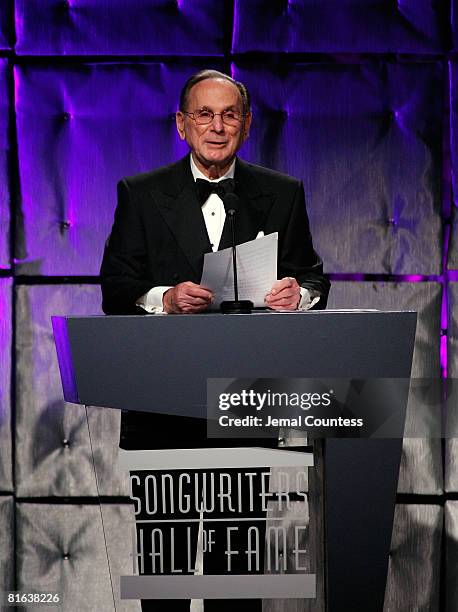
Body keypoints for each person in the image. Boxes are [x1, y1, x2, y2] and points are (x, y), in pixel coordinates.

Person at [100, 70, 330, 612]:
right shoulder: (140, 193)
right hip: (162, 409)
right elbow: (116, 287)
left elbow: (314, 275)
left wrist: (300, 295)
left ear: (246, 126)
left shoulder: (282, 193)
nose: (217, 126)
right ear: (182, 125)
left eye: (229, 115)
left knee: (237, 577)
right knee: (167, 576)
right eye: (204, 114)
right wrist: (164, 298)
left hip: (244, 403)